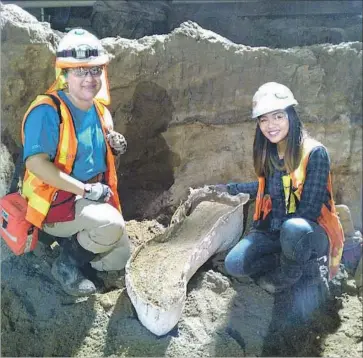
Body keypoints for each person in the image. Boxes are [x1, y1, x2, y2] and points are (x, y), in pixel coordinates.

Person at [21, 28, 131, 297]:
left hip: (90, 198)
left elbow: (95, 149)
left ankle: (74, 243)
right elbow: (36, 163)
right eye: (80, 71)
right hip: (54, 200)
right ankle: (66, 264)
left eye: (94, 70)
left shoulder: (100, 111)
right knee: (111, 226)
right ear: (64, 74)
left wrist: (115, 144)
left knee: (119, 258)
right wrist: (84, 191)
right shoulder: (47, 110)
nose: (89, 78)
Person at [209, 82, 344, 293]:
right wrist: (231, 189)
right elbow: (267, 188)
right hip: (277, 230)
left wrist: (282, 233)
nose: (270, 125)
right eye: (264, 119)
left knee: (295, 228)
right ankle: (283, 259)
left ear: (291, 115)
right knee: (234, 264)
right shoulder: (272, 154)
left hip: (308, 233)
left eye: (278, 116)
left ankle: (291, 272)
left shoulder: (315, 153)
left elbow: (308, 211)